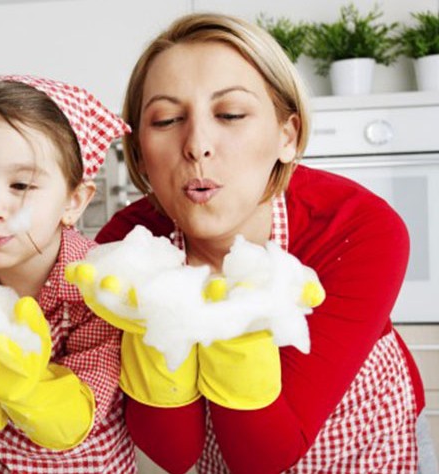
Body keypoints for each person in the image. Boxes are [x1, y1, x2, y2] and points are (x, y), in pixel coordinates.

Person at [94, 12, 433, 474]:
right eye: (167, 119)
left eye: (230, 114)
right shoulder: (125, 248)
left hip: (364, 447)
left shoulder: (359, 229)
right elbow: (175, 455)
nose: (197, 144)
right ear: (140, 156)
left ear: (286, 136)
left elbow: (265, 456)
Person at [0, 75, 136, 473]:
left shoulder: (96, 292)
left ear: (74, 201)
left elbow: (73, 418)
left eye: (21, 184)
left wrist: (11, 377)